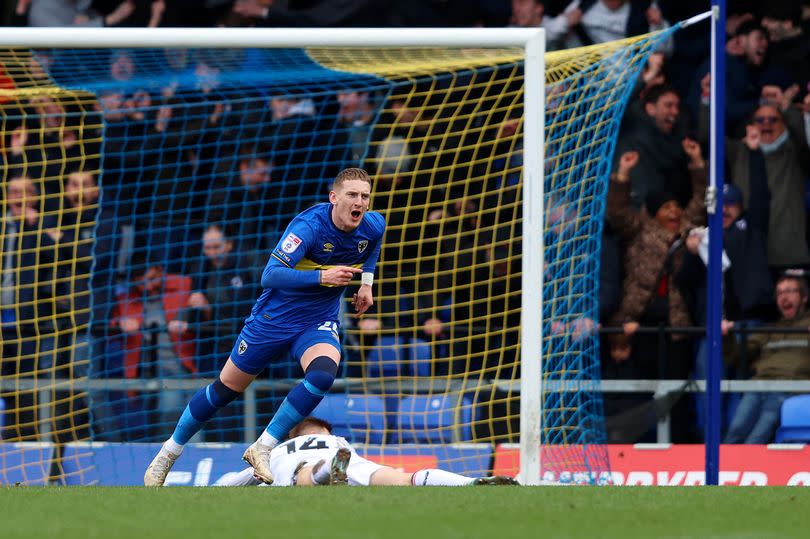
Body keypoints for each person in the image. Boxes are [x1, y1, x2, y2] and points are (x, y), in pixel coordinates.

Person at [145, 167, 385, 486]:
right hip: (274, 319)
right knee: (225, 389)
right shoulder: (308, 226)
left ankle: (263, 446)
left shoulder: (373, 223)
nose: (360, 202)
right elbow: (269, 275)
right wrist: (322, 276)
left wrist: (366, 284)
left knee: (324, 373)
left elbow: (373, 245)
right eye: (352, 195)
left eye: (364, 196)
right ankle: (168, 453)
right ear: (334, 197)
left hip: (318, 320)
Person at [218, 417, 518, 487]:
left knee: (302, 476)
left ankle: (325, 472)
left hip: (301, 464)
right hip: (350, 462)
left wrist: (220, 486)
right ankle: (470, 482)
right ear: (323, 430)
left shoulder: (279, 448)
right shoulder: (339, 440)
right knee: (402, 478)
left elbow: (237, 480)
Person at [723, 273, 810, 443]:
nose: (784, 297)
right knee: (735, 430)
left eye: (790, 291)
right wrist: (727, 337)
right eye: (779, 293)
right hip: (759, 386)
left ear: (804, 297)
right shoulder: (769, 329)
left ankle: (746, 468)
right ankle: (725, 469)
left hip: (790, 387)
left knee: (759, 434)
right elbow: (736, 359)